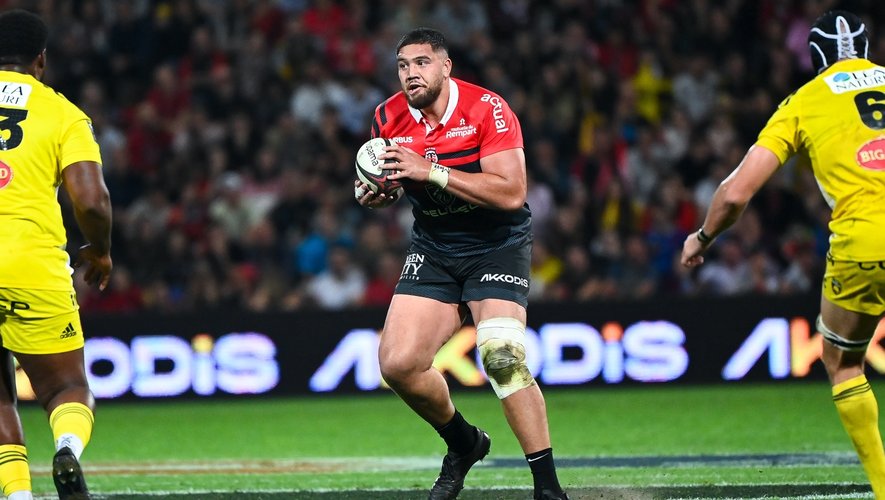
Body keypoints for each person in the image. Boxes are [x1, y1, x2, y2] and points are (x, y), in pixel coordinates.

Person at [354, 27, 568, 500]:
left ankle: (548, 489)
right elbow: (394, 179)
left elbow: (511, 192)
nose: (411, 73)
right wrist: (379, 193)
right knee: (398, 364)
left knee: (502, 357)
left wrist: (430, 170)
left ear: (446, 66)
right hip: (435, 245)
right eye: (403, 65)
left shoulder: (488, 109)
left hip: (496, 242)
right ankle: (464, 443)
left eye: (422, 62)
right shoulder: (386, 117)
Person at [681, 11, 885, 498]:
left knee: (843, 362)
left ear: (814, 57)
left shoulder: (805, 101)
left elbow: (736, 194)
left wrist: (703, 237)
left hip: (866, 239)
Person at [0, 9, 112, 500]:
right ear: (40, 59)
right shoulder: (63, 114)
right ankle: (66, 447)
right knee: (65, 388)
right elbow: (91, 201)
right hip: (30, 264)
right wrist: (100, 251)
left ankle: (18, 495)